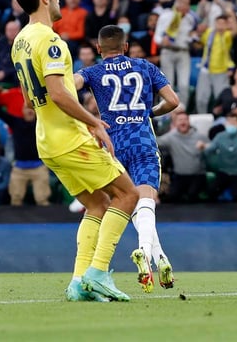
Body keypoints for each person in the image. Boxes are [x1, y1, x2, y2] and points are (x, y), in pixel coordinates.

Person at [11, 0, 139, 302]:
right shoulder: (51, 41)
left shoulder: (20, 41)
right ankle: (98, 272)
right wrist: (94, 122)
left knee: (97, 204)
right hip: (70, 138)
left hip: (47, 141)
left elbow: (29, 99)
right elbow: (57, 93)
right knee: (128, 194)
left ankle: (79, 281)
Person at [75, 23, 180, 291]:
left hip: (113, 147)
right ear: (126, 47)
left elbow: (69, 85)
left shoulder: (93, 71)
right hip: (143, 142)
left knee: (129, 202)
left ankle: (160, 257)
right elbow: (173, 101)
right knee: (146, 202)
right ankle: (146, 252)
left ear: (98, 48)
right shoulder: (145, 67)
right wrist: (149, 113)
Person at [0, 91, 49, 206]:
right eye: (26, 108)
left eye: (31, 108)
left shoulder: (42, 123)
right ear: (22, 111)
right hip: (19, 169)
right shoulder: (16, 122)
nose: (29, 111)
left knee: (42, 200)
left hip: (39, 167)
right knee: (15, 200)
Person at [156, 111, 210, 203]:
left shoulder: (199, 136)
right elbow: (156, 142)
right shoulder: (171, 137)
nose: (183, 122)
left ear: (189, 121)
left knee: (192, 197)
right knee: (172, 197)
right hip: (180, 176)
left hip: (197, 175)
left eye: (185, 119)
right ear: (175, 123)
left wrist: (205, 146)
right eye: (180, 120)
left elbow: (212, 146)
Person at [203, 111, 237, 202]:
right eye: (229, 122)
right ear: (225, 124)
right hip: (224, 171)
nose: (231, 125)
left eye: (234, 122)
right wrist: (203, 148)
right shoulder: (220, 136)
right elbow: (209, 150)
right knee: (211, 192)